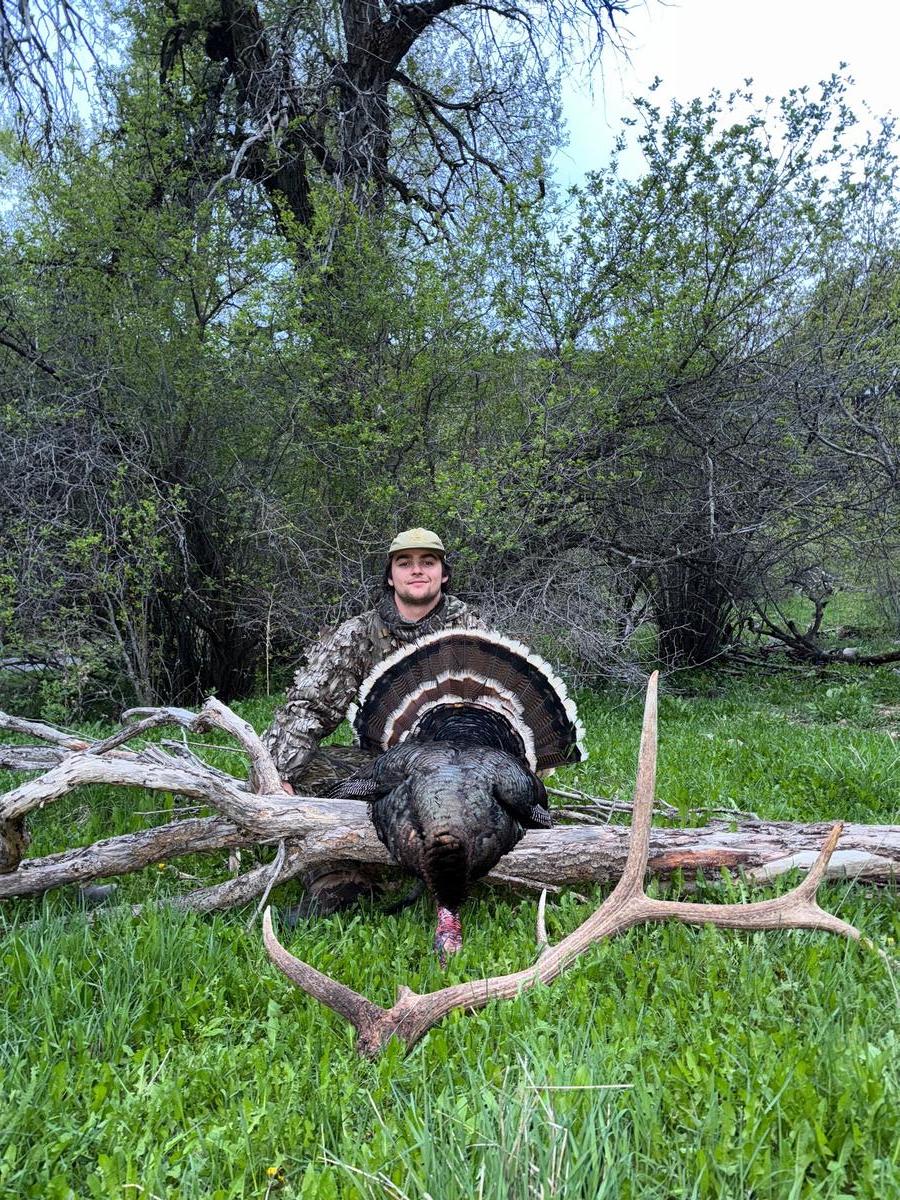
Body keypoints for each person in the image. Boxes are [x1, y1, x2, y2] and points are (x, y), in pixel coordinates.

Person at [263, 527, 485, 912]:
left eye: (428, 562)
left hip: (454, 770)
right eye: (405, 563)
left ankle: (449, 865)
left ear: (443, 574)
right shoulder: (358, 634)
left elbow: (498, 710)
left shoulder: (470, 630)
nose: (417, 571)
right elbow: (307, 706)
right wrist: (278, 771)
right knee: (300, 771)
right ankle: (339, 881)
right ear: (390, 575)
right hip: (381, 766)